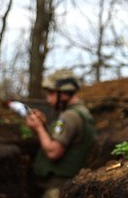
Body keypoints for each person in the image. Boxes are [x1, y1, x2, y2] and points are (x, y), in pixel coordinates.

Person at [26, 69, 97, 198]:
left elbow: (54, 152)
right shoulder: (82, 113)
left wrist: (39, 129)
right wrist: (43, 126)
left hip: (58, 189)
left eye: (51, 93)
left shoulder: (69, 116)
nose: (49, 99)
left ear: (64, 93)